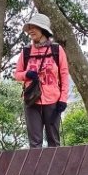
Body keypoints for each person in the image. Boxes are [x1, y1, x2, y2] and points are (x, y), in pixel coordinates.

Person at [14, 12, 70, 148]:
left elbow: (64, 75)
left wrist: (63, 99)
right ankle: (35, 169)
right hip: (32, 100)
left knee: (54, 141)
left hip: (53, 101)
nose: (31, 30)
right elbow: (17, 74)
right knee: (35, 142)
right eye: (29, 28)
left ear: (43, 29)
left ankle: (55, 169)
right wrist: (27, 74)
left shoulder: (57, 50)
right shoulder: (26, 52)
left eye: (34, 27)